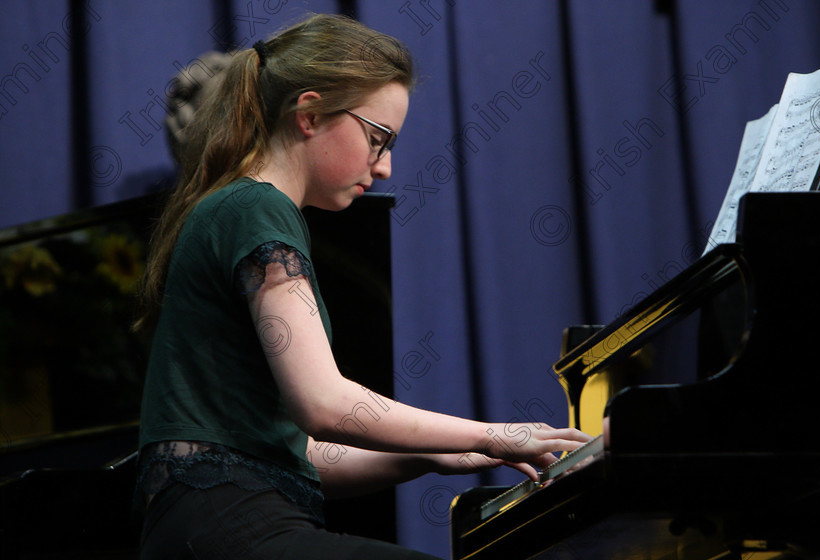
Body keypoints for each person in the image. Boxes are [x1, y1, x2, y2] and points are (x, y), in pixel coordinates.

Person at [134, 13, 590, 560]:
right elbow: (325, 404)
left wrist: (433, 456)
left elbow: (296, 453)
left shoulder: (239, 206)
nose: (385, 168)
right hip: (229, 527)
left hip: (207, 525)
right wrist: (489, 433)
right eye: (378, 139)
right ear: (308, 113)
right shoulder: (256, 206)